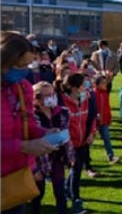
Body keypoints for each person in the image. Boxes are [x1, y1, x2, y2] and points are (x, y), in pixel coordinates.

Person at [1, 31, 56, 214]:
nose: (25, 70)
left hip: (18, 179)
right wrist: (23, 146)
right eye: (19, 65)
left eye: (28, 64)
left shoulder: (23, 87)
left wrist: (44, 134)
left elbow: (28, 123)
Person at [30, 81, 74, 214]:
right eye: (47, 95)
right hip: (39, 159)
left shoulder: (63, 112)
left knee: (60, 193)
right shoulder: (30, 116)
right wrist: (34, 169)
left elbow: (67, 134)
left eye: (53, 94)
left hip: (57, 157)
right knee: (37, 194)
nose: (52, 97)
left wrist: (70, 155)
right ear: (37, 98)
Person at [60, 73, 96, 214]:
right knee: (76, 169)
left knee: (76, 169)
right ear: (74, 87)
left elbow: (92, 117)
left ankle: (68, 191)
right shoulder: (62, 102)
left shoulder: (87, 97)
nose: (86, 86)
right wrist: (67, 141)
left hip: (83, 141)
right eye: (83, 84)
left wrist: (92, 133)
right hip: (70, 143)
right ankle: (75, 199)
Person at [93, 75, 121, 164]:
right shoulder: (93, 94)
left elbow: (107, 107)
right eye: (102, 83)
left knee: (107, 139)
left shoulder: (105, 94)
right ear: (96, 85)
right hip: (94, 122)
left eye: (105, 83)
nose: (105, 85)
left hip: (104, 121)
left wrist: (109, 118)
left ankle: (111, 156)